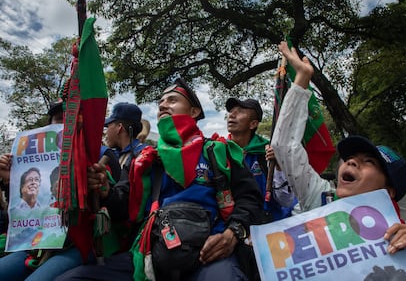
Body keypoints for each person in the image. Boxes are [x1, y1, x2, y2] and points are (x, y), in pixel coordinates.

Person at [56, 78, 263, 281]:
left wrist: (233, 233)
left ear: (194, 112)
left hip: (210, 256)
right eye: (161, 102)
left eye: (172, 100)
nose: (163, 104)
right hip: (149, 256)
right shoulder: (147, 160)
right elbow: (124, 206)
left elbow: (250, 198)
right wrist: (105, 192)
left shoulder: (219, 151)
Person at [272, 40, 406, 254]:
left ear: (388, 191)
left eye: (369, 162)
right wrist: (301, 79)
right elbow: (285, 146)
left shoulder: (402, 236)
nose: (351, 161)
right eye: (350, 158)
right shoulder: (318, 196)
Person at [0, 100, 121, 281]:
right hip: (36, 246)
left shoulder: (102, 155)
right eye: (58, 119)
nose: (65, 124)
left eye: (70, 118)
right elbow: (20, 214)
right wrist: (11, 179)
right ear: (49, 125)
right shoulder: (30, 159)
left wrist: (101, 187)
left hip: (78, 245)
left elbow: (120, 207)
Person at [226, 97, 296, 221]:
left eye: (240, 111)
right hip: (232, 227)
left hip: (267, 227)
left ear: (253, 124)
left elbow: (285, 201)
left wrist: (279, 166)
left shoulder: (269, 153)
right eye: (231, 111)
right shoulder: (219, 151)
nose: (232, 115)